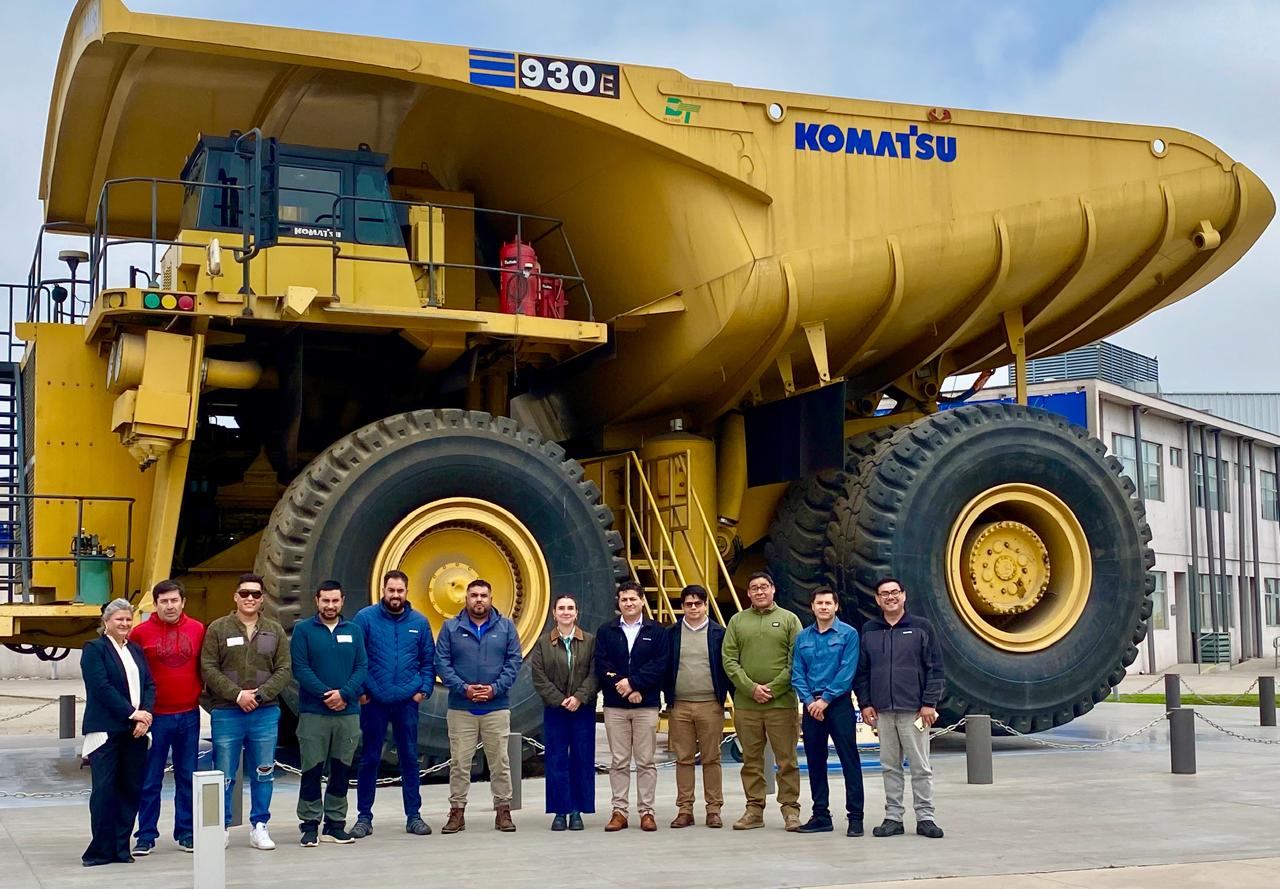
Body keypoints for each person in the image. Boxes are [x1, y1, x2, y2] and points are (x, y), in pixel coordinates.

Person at [201, 572, 292, 850]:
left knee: (264, 771)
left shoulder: (274, 630)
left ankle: (260, 826)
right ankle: (221, 828)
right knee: (223, 773)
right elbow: (207, 667)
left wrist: (261, 695)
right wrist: (237, 694)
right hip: (227, 713)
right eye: (244, 593)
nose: (249, 598)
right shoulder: (218, 629)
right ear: (235, 597)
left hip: (264, 714)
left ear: (262, 599)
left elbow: (284, 668)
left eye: (255, 594)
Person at [855, 577, 946, 840]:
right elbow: (863, 672)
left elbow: (935, 668)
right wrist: (866, 703)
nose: (890, 597)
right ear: (877, 599)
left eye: (895, 592)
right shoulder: (869, 630)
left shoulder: (921, 627)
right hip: (883, 712)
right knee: (889, 766)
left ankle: (925, 817)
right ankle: (893, 818)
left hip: (915, 712)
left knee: (920, 766)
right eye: (884, 593)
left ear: (904, 596)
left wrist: (929, 703)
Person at [351, 570, 435, 838]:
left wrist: (423, 690)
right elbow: (355, 657)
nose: (395, 595)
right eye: (391, 590)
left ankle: (414, 816)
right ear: (383, 591)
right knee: (369, 759)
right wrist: (362, 691)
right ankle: (364, 817)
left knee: (410, 759)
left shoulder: (420, 623)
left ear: (406, 592)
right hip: (374, 701)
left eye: (400, 591)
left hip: (407, 703)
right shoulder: (365, 619)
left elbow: (427, 661)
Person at [435, 578, 522, 833]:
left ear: (491, 598)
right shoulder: (450, 628)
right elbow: (442, 663)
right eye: (474, 595)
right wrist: (465, 689)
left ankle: (503, 811)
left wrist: (495, 688)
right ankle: (457, 812)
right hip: (461, 707)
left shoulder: (506, 627)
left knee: (500, 762)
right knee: (460, 763)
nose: (479, 600)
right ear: (466, 598)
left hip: (496, 706)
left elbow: (514, 661)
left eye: (483, 595)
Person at [722, 571, 803, 831]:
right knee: (751, 759)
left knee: (787, 760)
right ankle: (754, 810)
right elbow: (729, 660)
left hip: (782, 704)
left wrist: (773, 687)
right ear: (748, 593)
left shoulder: (789, 620)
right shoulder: (737, 621)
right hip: (747, 705)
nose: (759, 592)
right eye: (754, 588)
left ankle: (791, 810)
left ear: (773, 589)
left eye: (764, 587)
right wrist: (750, 688)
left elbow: (796, 660)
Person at [129, 579, 205, 855]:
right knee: (150, 779)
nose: (170, 606)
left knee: (187, 776)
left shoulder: (198, 630)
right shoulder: (139, 634)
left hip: (188, 715)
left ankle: (185, 832)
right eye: (164, 601)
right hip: (155, 717)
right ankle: (146, 835)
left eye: (174, 600)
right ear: (156, 604)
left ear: (183, 602)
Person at [290, 580, 368, 847]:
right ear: (317, 600)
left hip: (348, 714)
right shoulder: (303, 631)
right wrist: (327, 695)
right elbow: (300, 668)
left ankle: (336, 824)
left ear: (342, 601)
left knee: (342, 770)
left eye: (335, 601)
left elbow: (362, 667)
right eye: (326, 600)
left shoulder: (354, 631)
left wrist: (344, 694)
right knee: (311, 769)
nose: (330, 606)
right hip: (314, 713)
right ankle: (310, 825)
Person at [81, 599, 155, 867]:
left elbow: (148, 683)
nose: (124, 624)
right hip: (107, 730)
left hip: (136, 731)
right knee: (104, 791)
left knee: (130, 790)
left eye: (127, 619)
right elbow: (101, 687)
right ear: (106, 622)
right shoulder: (94, 649)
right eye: (118, 619)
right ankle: (100, 850)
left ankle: (121, 848)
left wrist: (145, 715)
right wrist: (131, 713)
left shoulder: (135, 650)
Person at [595, 579, 667, 832]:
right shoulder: (606, 632)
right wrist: (626, 690)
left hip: (646, 705)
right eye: (624, 599)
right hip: (615, 706)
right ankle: (619, 811)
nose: (628, 603)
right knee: (619, 761)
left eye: (633, 599)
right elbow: (603, 667)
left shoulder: (657, 631)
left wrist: (636, 685)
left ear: (642, 601)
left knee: (646, 761)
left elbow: (660, 665)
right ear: (619, 602)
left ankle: (647, 811)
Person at [791, 588, 864, 837]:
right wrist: (811, 701)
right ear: (812, 607)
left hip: (838, 704)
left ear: (836, 606)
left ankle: (855, 817)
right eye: (819, 603)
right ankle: (821, 814)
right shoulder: (803, 638)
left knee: (849, 760)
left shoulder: (849, 634)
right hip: (812, 707)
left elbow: (847, 671)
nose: (823, 607)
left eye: (828, 603)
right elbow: (797, 673)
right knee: (815, 761)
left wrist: (826, 700)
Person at [663, 584, 731, 829]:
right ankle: (685, 809)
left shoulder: (719, 634)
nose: (693, 608)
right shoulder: (670, 634)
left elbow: (727, 667)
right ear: (682, 607)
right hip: (679, 705)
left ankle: (714, 809)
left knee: (712, 758)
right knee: (684, 759)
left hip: (710, 704)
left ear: (706, 606)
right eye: (688, 604)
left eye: (698, 603)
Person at [529, 594, 598, 831]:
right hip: (555, 710)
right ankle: (560, 811)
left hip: (583, 709)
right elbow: (539, 677)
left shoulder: (589, 641)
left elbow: (594, 673)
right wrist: (560, 700)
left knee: (581, 759)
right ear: (554, 613)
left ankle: (577, 810)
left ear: (576, 613)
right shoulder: (542, 643)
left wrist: (579, 697)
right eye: (561, 608)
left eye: (570, 608)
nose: (566, 612)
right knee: (556, 760)